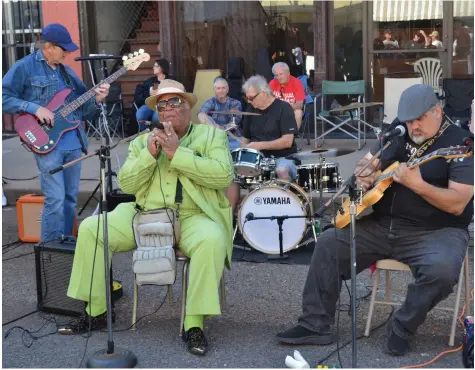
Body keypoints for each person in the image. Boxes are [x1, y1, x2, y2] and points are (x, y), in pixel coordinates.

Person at [277, 84, 474, 356]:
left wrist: (418, 185)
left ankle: (403, 326)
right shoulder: (399, 132)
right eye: (408, 119)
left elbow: (458, 202)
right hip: (383, 224)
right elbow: (365, 164)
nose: (413, 126)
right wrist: (365, 175)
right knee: (329, 242)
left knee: (441, 270)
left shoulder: (460, 143)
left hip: (436, 231)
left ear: (437, 112)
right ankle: (315, 324)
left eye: (419, 119)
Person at [64, 79, 234, 356]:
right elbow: (128, 185)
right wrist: (149, 155)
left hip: (192, 216)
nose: (167, 110)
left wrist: (178, 152)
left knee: (212, 239)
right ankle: (96, 310)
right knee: (93, 228)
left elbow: (223, 176)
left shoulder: (212, 137)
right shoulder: (143, 141)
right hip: (143, 215)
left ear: (188, 106)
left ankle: (194, 324)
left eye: (174, 102)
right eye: (161, 105)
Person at [2, 23, 110, 242]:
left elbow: (84, 109)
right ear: (48, 47)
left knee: (70, 198)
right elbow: (4, 98)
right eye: (64, 49)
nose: (68, 53)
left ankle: (66, 242)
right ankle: (50, 249)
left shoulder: (67, 73)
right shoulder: (25, 67)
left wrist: (96, 99)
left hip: (73, 141)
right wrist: (35, 108)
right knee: (56, 198)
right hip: (47, 144)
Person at [198, 77, 242, 214]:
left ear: (227, 89)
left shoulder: (236, 103)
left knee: (235, 151)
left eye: (223, 88)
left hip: (232, 137)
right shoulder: (210, 102)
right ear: (214, 90)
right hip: (214, 137)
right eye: (218, 88)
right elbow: (201, 115)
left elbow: (235, 122)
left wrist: (222, 129)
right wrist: (214, 127)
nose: (221, 90)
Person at [241, 75, 298, 181]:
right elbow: (245, 139)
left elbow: (287, 142)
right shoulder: (250, 110)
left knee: (281, 170)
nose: (249, 101)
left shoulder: (284, 108)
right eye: (247, 98)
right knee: (232, 171)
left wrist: (259, 145)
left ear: (264, 93)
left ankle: (286, 196)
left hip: (283, 157)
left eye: (251, 98)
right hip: (258, 159)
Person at [135, 58, 170, 130]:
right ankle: (145, 133)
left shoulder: (170, 80)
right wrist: (150, 93)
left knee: (156, 117)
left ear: (162, 68)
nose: (153, 68)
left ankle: (158, 134)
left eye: (156, 66)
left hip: (164, 105)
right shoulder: (152, 81)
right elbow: (151, 94)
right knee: (140, 115)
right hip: (151, 104)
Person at [269, 62, 306, 130]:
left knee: (298, 112)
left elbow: (299, 105)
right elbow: (267, 101)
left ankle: (292, 135)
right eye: (276, 75)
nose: (279, 77)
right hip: (276, 112)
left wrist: (283, 108)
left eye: (281, 74)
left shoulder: (296, 83)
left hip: (291, 111)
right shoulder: (272, 83)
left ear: (288, 73)